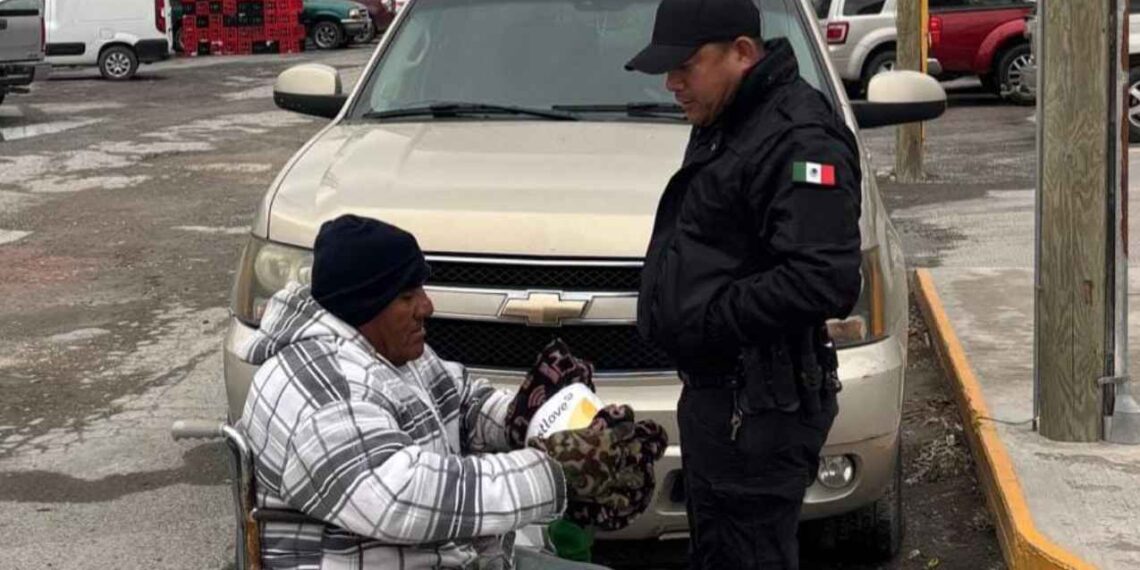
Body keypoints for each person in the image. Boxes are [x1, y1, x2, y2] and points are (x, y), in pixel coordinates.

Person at [237, 214, 666, 569]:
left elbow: (459, 401)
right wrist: (555, 471)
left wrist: (524, 417)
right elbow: (400, 497)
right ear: (363, 306)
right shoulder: (319, 389)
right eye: (408, 296)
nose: (427, 306)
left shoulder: (390, 353)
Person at [626, 0, 863, 568]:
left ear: (743, 52)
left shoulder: (799, 138)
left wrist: (705, 317)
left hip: (759, 410)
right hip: (723, 400)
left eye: (687, 65)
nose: (672, 82)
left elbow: (823, 278)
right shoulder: (731, 117)